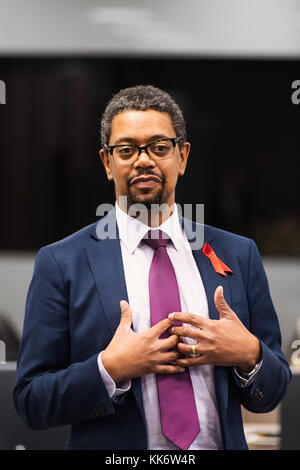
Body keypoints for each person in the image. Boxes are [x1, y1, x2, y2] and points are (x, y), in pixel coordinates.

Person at [13, 85, 291, 450]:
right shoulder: (61, 263)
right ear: (107, 163)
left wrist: (249, 354)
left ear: (183, 156)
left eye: (159, 147)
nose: (143, 160)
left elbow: (272, 391)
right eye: (126, 150)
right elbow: (32, 402)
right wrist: (110, 368)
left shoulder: (239, 254)